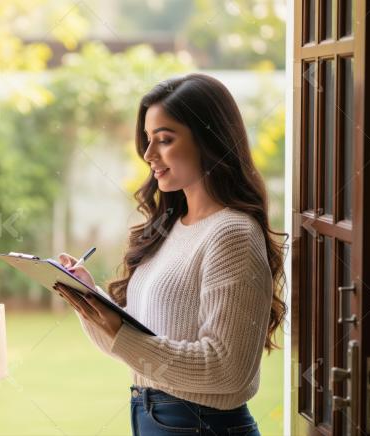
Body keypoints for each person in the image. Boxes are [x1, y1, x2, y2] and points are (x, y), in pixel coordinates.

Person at [54, 73, 287, 436]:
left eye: (164, 140)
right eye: (148, 140)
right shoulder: (171, 226)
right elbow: (136, 348)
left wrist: (119, 331)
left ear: (209, 140)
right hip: (154, 417)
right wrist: (88, 300)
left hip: (201, 426)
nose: (149, 155)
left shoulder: (232, 234)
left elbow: (228, 370)